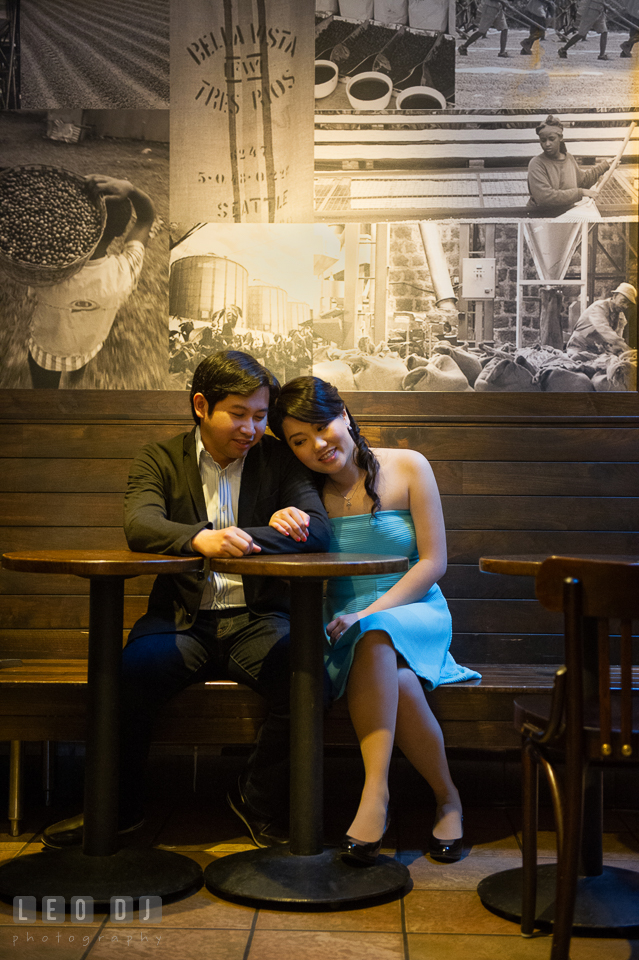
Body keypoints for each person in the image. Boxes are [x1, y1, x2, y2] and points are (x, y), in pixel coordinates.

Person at [42, 351, 331, 850]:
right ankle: (118, 811)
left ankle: (255, 797)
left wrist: (245, 536)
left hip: (258, 618)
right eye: (238, 414)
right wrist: (201, 539)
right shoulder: (159, 458)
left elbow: (318, 530)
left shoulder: (277, 459)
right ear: (201, 405)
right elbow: (141, 525)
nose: (251, 428)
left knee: (310, 679)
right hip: (180, 620)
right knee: (125, 677)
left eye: (260, 416)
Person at [269, 377, 481, 865]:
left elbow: (433, 562)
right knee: (397, 678)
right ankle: (448, 797)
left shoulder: (408, 466)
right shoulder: (305, 493)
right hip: (339, 620)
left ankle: (375, 795)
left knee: (377, 632)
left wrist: (367, 613)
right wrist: (283, 518)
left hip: (414, 607)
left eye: (323, 427)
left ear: (344, 414)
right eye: (299, 441)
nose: (317, 446)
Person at [27, 175, 155, 389]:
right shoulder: (125, 271)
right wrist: (132, 190)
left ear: (70, 226)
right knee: (81, 358)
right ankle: (75, 379)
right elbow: (145, 219)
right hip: (90, 344)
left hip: (47, 350)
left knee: (44, 394)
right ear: (120, 231)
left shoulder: (46, 271)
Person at [527, 115, 610, 214]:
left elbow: (582, 181)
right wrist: (581, 192)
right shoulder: (536, 163)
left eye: (551, 139)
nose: (547, 144)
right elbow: (545, 197)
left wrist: (605, 165)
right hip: (541, 215)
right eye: (543, 140)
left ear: (560, 137)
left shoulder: (569, 158)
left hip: (567, 213)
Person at [566, 283, 636, 356]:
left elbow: (617, 338)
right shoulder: (599, 307)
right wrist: (625, 347)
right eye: (623, 301)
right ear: (615, 296)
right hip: (579, 347)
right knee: (577, 364)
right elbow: (604, 330)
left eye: (628, 304)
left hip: (596, 350)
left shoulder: (621, 318)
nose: (625, 306)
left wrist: (621, 350)